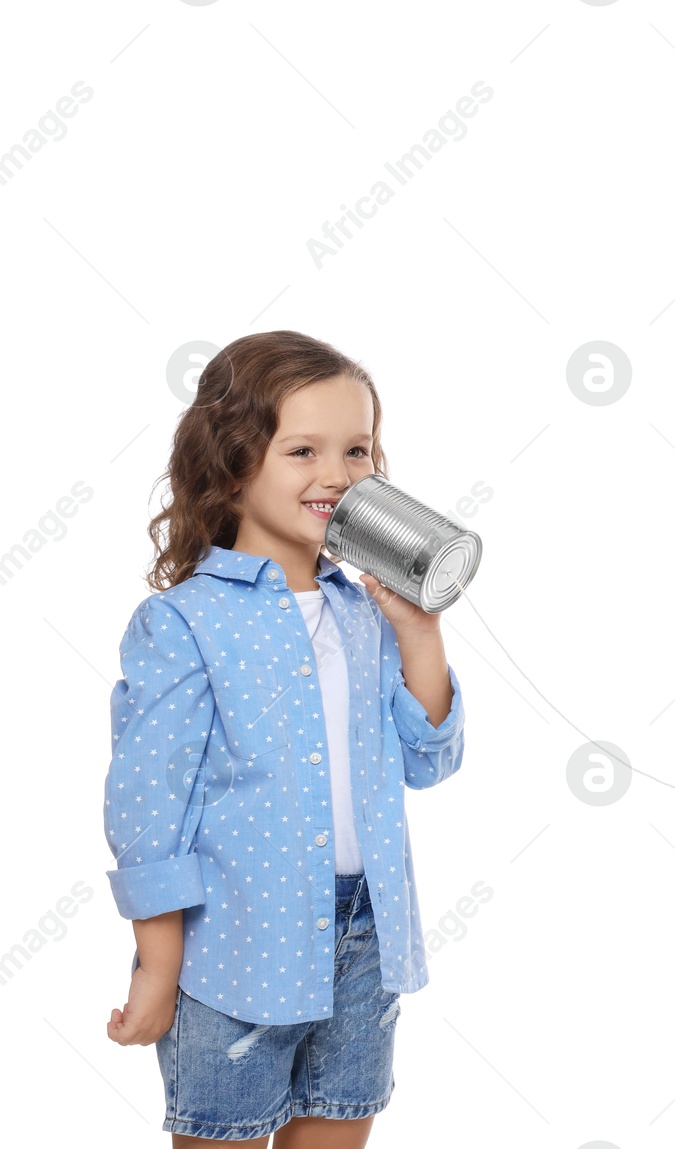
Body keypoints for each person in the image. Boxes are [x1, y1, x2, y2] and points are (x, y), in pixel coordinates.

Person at [102, 330, 468, 1146]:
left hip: (366, 940)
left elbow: (430, 757)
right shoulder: (185, 622)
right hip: (236, 944)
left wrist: (418, 630)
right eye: (303, 449)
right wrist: (157, 969)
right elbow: (149, 813)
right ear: (232, 463)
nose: (337, 475)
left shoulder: (363, 612)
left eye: (358, 451)